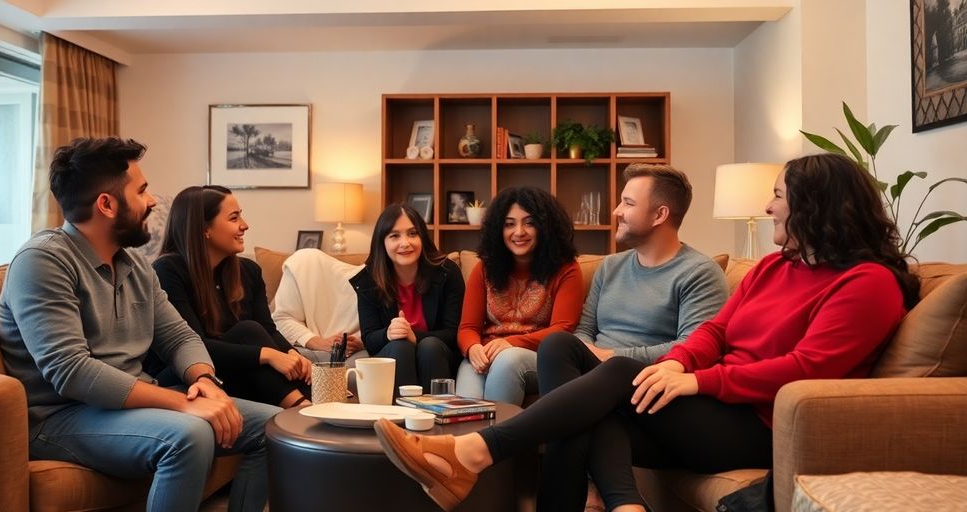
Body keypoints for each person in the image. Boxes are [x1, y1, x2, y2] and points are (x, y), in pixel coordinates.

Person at [373, 153, 920, 512]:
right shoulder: (776, 267)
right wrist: (681, 363)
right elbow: (717, 332)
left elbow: (807, 369)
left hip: (763, 422)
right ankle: (622, 504)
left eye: (778, 194)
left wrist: (699, 380)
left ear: (815, 205)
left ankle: (472, 454)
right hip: (714, 403)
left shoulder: (867, 283)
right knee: (586, 400)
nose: (768, 204)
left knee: (609, 379)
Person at [0, 138, 281, 512]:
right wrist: (182, 404)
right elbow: (71, 372)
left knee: (274, 428)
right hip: (61, 416)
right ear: (107, 204)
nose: (152, 202)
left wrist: (204, 381)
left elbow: (178, 335)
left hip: (127, 407)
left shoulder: (133, 265)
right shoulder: (43, 261)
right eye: (142, 190)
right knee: (189, 434)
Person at [152, 185, 312, 409]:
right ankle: (302, 409)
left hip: (237, 371)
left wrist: (291, 353)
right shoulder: (168, 270)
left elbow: (269, 330)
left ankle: (311, 406)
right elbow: (190, 346)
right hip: (187, 374)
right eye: (234, 218)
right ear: (204, 229)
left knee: (260, 339)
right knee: (248, 331)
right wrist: (266, 354)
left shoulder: (248, 271)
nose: (244, 225)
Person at [557, 163, 727, 365]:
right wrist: (586, 355)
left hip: (642, 373)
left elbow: (693, 345)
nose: (616, 212)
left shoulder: (700, 273)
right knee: (555, 345)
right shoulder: (610, 265)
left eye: (628, 203)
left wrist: (611, 356)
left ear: (659, 215)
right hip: (593, 366)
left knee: (605, 366)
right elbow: (585, 329)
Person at [455, 186, 585, 406]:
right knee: (466, 406)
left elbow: (563, 328)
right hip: (486, 354)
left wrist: (510, 343)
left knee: (508, 360)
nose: (519, 232)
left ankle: (501, 430)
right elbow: (468, 327)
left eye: (529, 223)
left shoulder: (566, 269)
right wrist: (472, 348)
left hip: (536, 357)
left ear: (545, 227)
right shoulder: (484, 268)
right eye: (509, 224)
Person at [350, 203, 465, 390]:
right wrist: (388, 333)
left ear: (422, 237)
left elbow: (454, 333)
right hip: (395, 355)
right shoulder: (369, 280)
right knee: (400, 346)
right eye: (394, 236)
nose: (405, 243)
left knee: (429, 346)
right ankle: (401, 410)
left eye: (412, 233)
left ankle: (436, 408)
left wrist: (415, 337)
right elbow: (369, 339)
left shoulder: (447, 272)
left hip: (437, 356)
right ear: (382, 242)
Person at [271, 247, 368, 363]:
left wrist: (362, 343)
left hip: (356, 354)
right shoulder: (304, 262)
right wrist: (319, 343)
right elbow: (282, 319)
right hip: (306, 349)